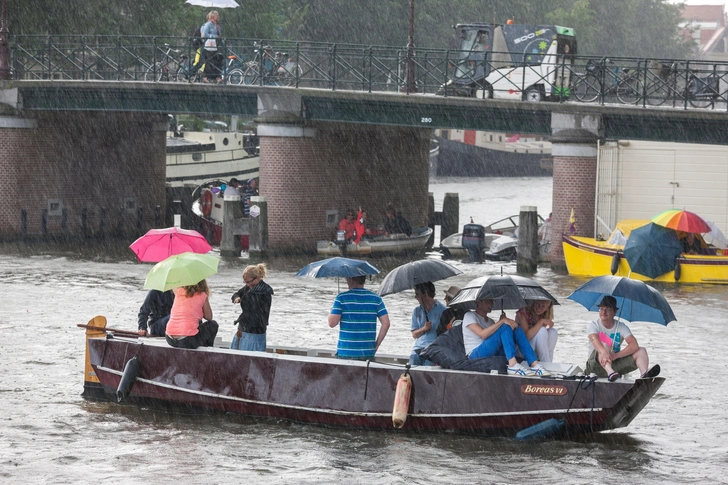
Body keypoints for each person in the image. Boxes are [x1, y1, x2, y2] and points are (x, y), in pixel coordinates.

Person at [462, 297, 550, 376]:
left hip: (491, 352)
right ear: (478, 301)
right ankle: (512, 364)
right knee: (505, 326)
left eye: (492, 301)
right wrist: (502, 322)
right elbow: (483, 334)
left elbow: (495, 339)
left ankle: (534, 364)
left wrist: (502, 322)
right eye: (488, 301)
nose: (491, 304)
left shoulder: (491, 321)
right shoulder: (469, 315)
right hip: (475, 354)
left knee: (516, 328)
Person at [586, 295, 654, 381]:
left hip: (614, 363)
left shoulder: (621, 327)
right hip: (595, 366)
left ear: (614, 312)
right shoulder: (593, 325)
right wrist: (604, 352)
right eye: (602, 309)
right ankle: (610, 372)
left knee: (641, 350)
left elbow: (634, 345)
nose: (604, 312)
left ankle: (644, 375)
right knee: (604, 345)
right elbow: (594, 339)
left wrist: (615, 356)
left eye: (608, 309)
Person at [328, 275, 390, 360]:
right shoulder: (376, 299)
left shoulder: (341, 298)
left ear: (351, 279)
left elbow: (332, 323)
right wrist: (376, 345)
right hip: (367, 353)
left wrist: (333, 310)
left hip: (346, 353)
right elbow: (386, 323)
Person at [231, 264, 274, 351]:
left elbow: (258, 311)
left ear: (258, 277)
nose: (248, 284)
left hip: (256, 329)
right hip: (244, 327)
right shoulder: (248, 287)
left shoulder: (265, 291)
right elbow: (237, 293)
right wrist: (236, 298)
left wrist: (244, 299)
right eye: (246, 282)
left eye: (250, 282)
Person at [165, 279, 219, 349]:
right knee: (213, 324)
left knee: (196, 323)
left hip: (170, 338)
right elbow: (209, 317)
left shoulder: (178, 291)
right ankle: (207, 350)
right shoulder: (202, 295)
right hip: (187, 341)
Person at [409, 282, 447, 365]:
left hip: (434, 349)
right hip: (417, 349)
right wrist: (424, 329)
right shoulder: (416, 311)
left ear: (425, 295)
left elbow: (446, 336)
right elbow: (414, 335)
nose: (415, 297)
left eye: (417, 295)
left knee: (428, 369)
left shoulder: (443, 311)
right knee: (412, 360)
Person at [201, 10, 222, 83]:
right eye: (217, 15)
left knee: (217, 60)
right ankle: (207, 76)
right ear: (213, 16)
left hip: (216, 45)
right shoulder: (208, 25)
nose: (218, 17)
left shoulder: (218, 26)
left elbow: (220, 35)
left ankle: (217, 76)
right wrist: (214, 36)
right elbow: (205, 34)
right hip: (210, 44)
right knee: (210, 60)